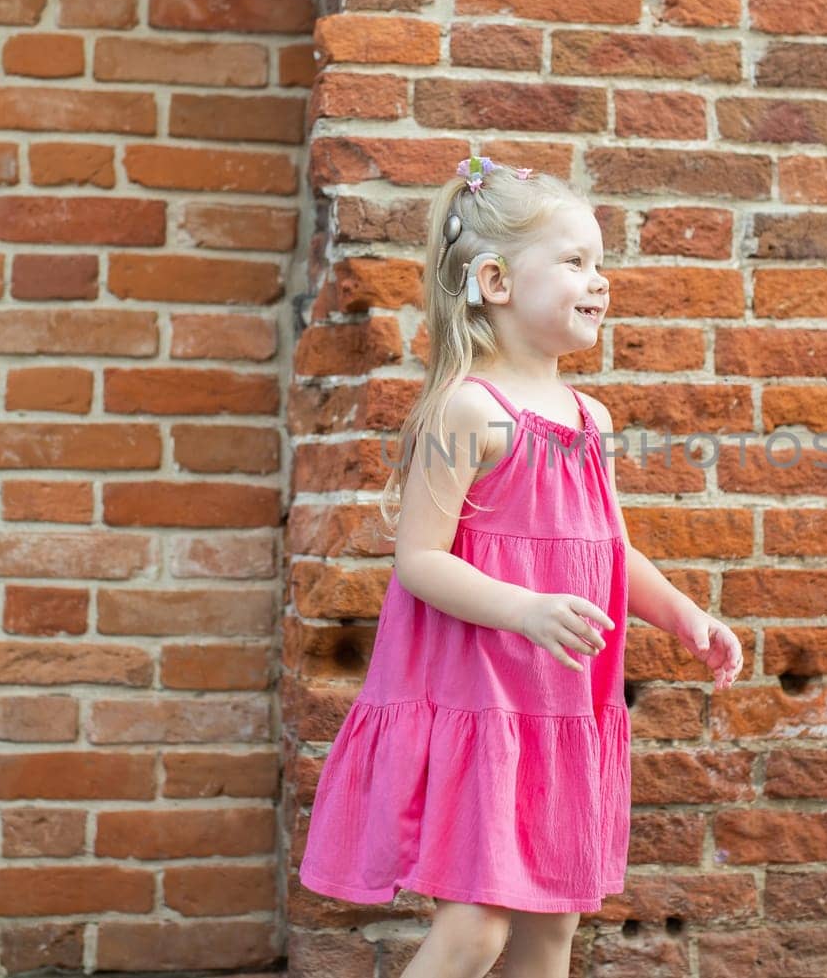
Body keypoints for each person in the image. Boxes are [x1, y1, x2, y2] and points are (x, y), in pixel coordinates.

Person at [297, 155, 745, 977]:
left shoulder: (589, 415)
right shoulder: (469, 409)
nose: (599, 280)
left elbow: (609, 549)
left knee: (550, 934)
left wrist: (685, 614)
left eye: (601, 262)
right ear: (496, 280)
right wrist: (525, 609)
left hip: (559, 709)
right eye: (574, 261)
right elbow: (420, 560)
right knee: (476, 932)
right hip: (485, 705)